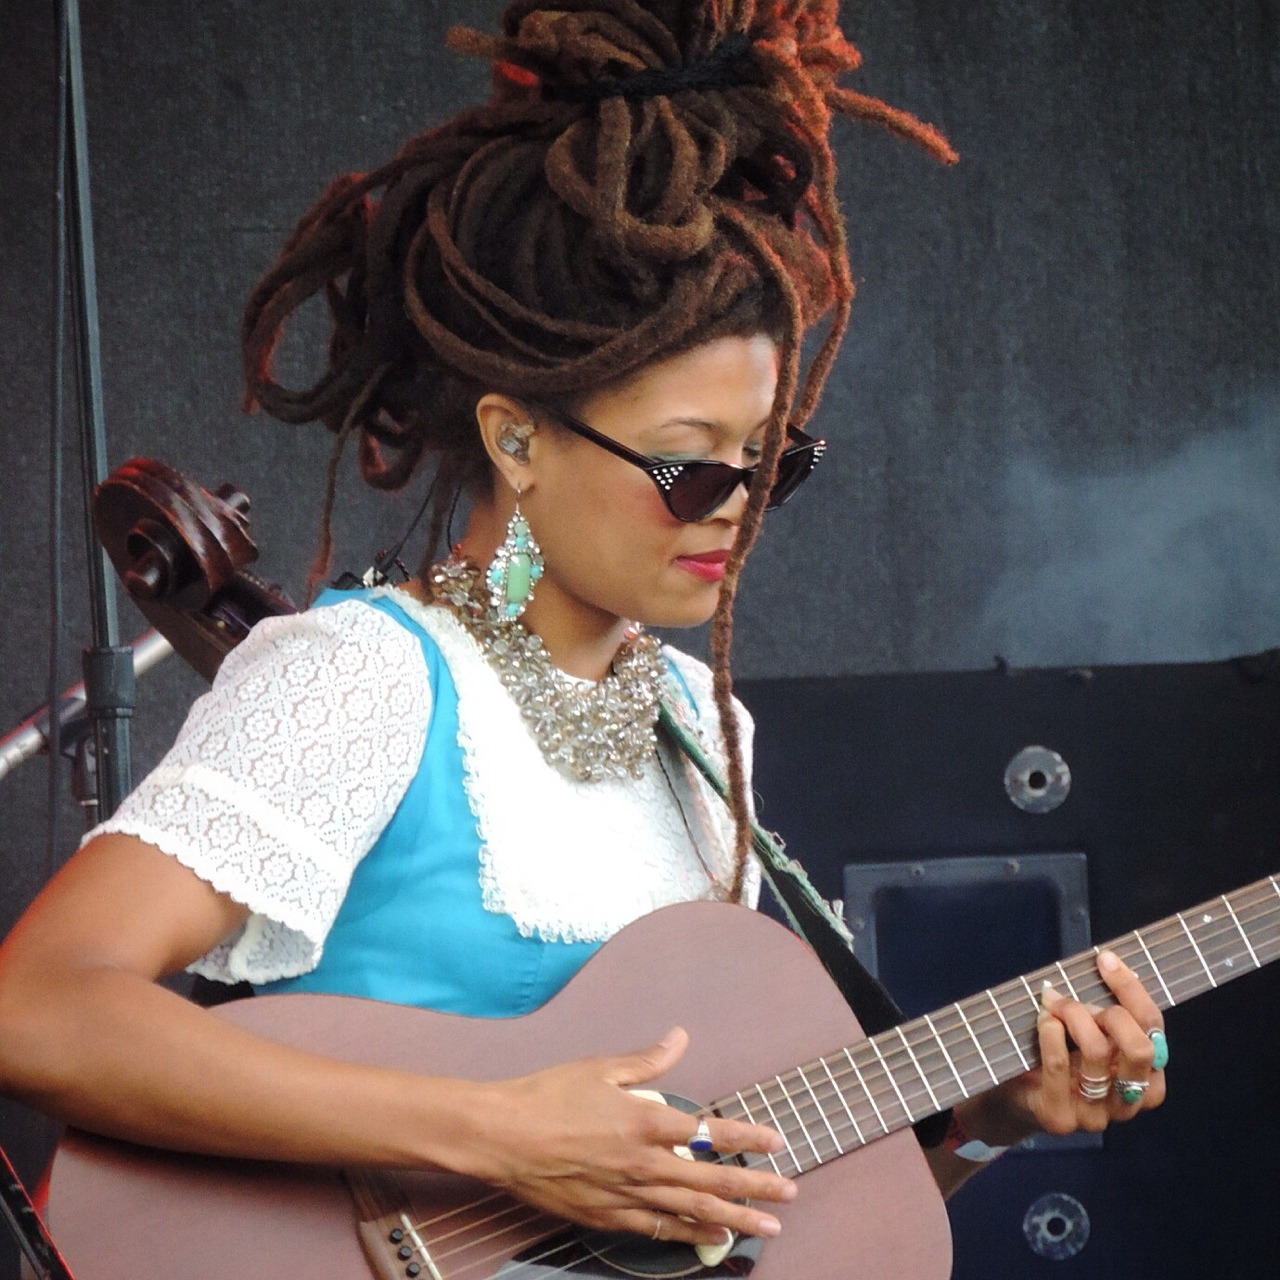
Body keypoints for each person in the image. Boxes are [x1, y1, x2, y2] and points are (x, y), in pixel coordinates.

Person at [0, 0, 1165, 1263]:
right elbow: (36, 1005)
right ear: (516, 440)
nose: (737, 510)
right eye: (686, 467)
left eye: (768, 461)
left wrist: (986, 1125)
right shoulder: (366, 679)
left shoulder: (701, 732)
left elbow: (719, 1216)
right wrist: (494, 1130)